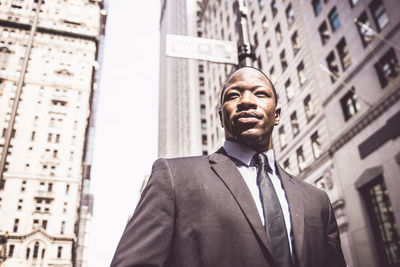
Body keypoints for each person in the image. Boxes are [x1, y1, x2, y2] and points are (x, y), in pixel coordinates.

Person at [110, 67, 346, 267]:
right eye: (233, 95)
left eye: (260, 93)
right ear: (221, 117)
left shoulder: (317, 201)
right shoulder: (174, 177)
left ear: (277, 114)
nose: (246, 101)